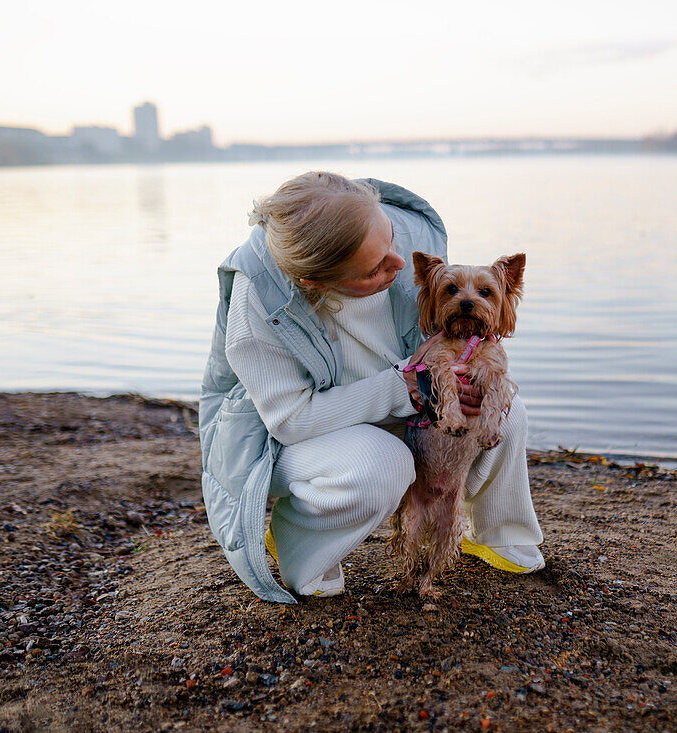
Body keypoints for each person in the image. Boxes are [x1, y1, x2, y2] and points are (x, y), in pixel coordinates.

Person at [199, 172, 544, 603]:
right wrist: (406, 388)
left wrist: (456, 381)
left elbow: (442, 327)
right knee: (383, 465)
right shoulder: (259, 309)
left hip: (405, 402)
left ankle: (497, 528)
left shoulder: (396, 241)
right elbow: (291, 420)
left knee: (504, 410)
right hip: (291, 439)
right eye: (374, 268)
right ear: (313, 282)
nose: (397, 265)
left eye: (391, 242)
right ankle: (299, 543)